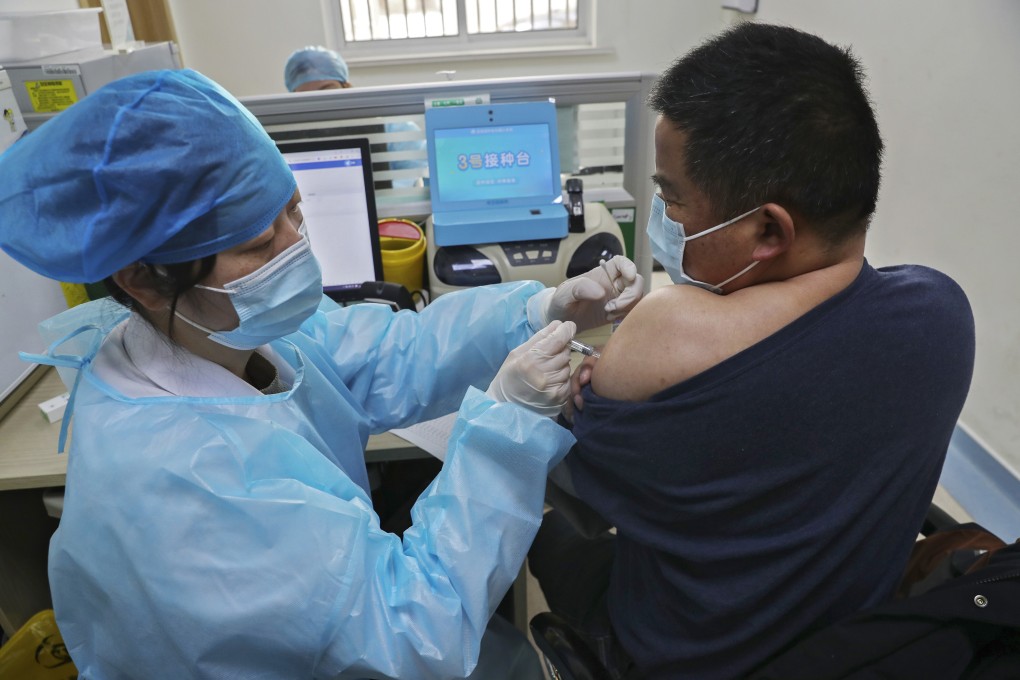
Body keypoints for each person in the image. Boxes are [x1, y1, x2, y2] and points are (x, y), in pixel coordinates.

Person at [0, 69, 644, 679]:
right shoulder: (179, 482)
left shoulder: (224, 326)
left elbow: (389, 353)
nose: (293, 249)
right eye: (256, 245)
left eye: (294, 215)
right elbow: (413, 634)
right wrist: (507, 425)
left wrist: (538, 309)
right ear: (141, 280)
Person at [528, 22, 976, 679]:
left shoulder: (664, 338)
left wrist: (580, 395)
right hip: (849, 641)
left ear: (767, 228)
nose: (663, 215)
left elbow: (580, 500)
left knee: (539, 531)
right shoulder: (944, 313)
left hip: (679, 656)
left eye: (674, 197)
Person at [284, 45, 427, 189]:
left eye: (326, 90)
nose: (318, 102)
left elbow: (416, 177)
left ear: (347, 87)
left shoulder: (393, 129)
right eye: (305, 97)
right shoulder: (288, 137)